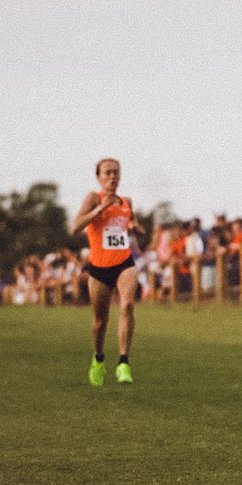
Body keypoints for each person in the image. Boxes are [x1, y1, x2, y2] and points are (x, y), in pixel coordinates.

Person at [71, 158, 145, 386]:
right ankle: (99, 358)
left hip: (124, 262)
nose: (113, 177)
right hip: (99, 267)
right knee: (100, 321)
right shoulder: (93, 198)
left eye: (116, 173)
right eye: (108, 173)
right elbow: (75, 227)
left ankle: (123, 363)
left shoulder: (126, 202)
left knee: (128, 304)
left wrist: (135, 228)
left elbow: (135, 226)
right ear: (99, 177)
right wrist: (101, 208)